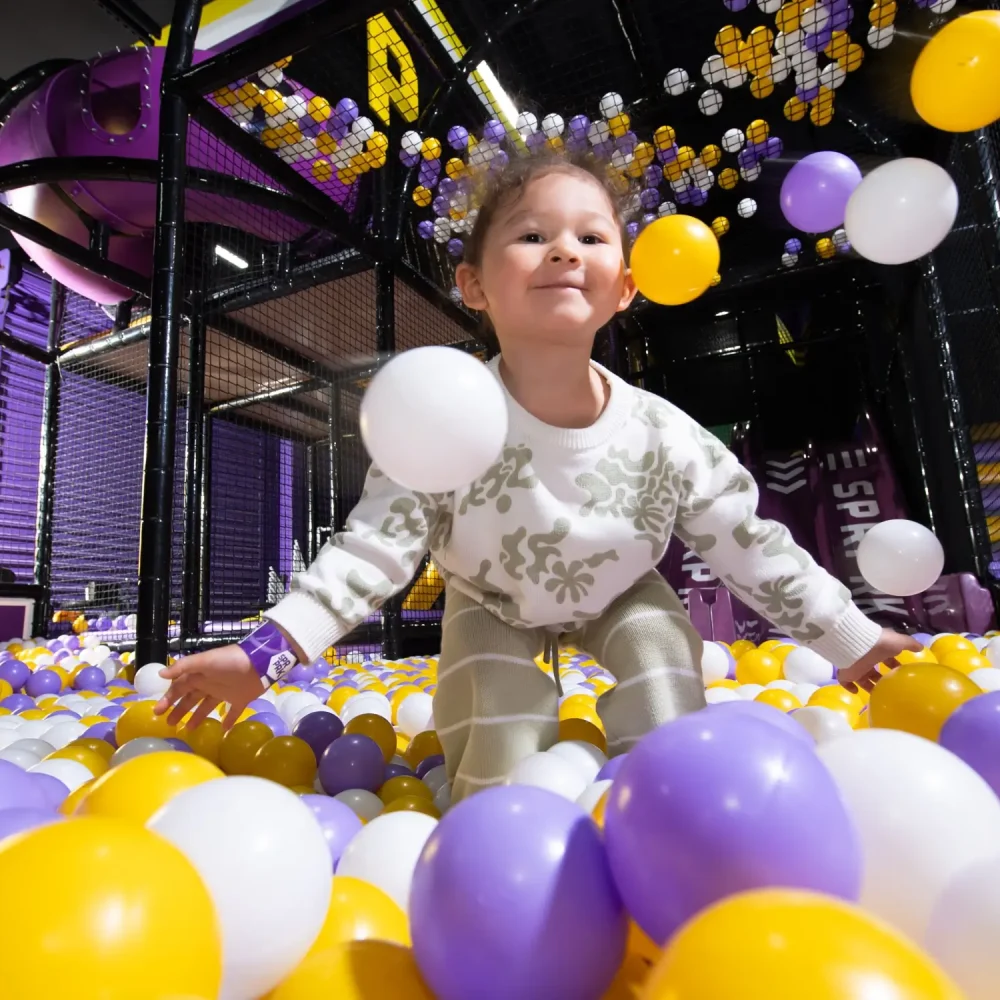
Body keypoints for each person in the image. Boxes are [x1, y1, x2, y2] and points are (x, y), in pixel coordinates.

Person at [156, 152, 918, 801]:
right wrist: (267, 654)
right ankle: (494, 833)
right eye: (531, 235)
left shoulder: (663, 435)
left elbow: (748, 543)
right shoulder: (442, 416)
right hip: (491, 597)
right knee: (498, 737)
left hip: (623, 587)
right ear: (474, 284)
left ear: (623, 287)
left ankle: (664, 804)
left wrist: (848, 638)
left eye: (591, 236)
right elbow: (374, 548)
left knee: (664, 665)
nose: (564, 251)